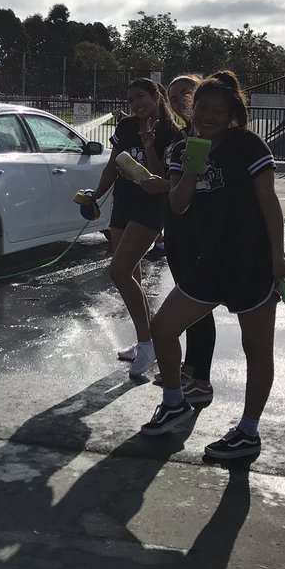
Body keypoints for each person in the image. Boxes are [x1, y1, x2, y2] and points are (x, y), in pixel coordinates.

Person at [140, 71, 285, 461]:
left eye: (218, 110)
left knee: (257, 349)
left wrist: (278, 257)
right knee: (162, 328)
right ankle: (175, 400)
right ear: (190, 109)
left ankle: (248, 431)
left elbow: (269, 201)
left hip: (252, 262)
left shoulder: (248, 145)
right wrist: (192, 169)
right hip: (211, 261)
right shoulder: (180, 151)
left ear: (233, 115)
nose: (209, 116)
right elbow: (178, 205)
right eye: (202, 108)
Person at [89, 78, 183, 378]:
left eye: (140, 97)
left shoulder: (172, 133)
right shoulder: (126, 127)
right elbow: (112, 165)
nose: (135, 104)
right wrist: (95, 195)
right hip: (123, 204)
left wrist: (150, 146)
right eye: (130, 100)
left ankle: (147, 344)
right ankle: (146, 341)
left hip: (150, 208)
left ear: (157, 95)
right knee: (132, 276)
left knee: (118, 271)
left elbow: (160, 177)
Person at [150, 74, 216, 405]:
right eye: (173, 97)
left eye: (185, 94)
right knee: (186, 303)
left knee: (198, 308)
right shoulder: (180, 141)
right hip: (178, 230)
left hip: (201, 234)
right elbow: (172, 188)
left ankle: (199, 377)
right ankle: (187, 369)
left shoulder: (217, 142)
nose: (178, 102)